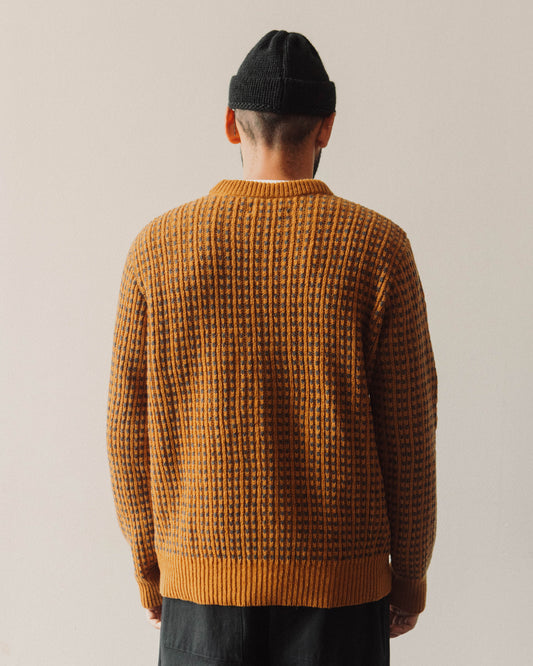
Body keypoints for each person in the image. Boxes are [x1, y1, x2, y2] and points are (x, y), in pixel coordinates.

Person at [106, 29, 438, 666]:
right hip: (341, 596)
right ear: (327, 127)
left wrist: (152, 570)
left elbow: (127, 431)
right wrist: (409, 578)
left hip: (200, 588)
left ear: (232, 123)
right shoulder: (379, 249)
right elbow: (410, 436)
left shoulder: (157, 248)